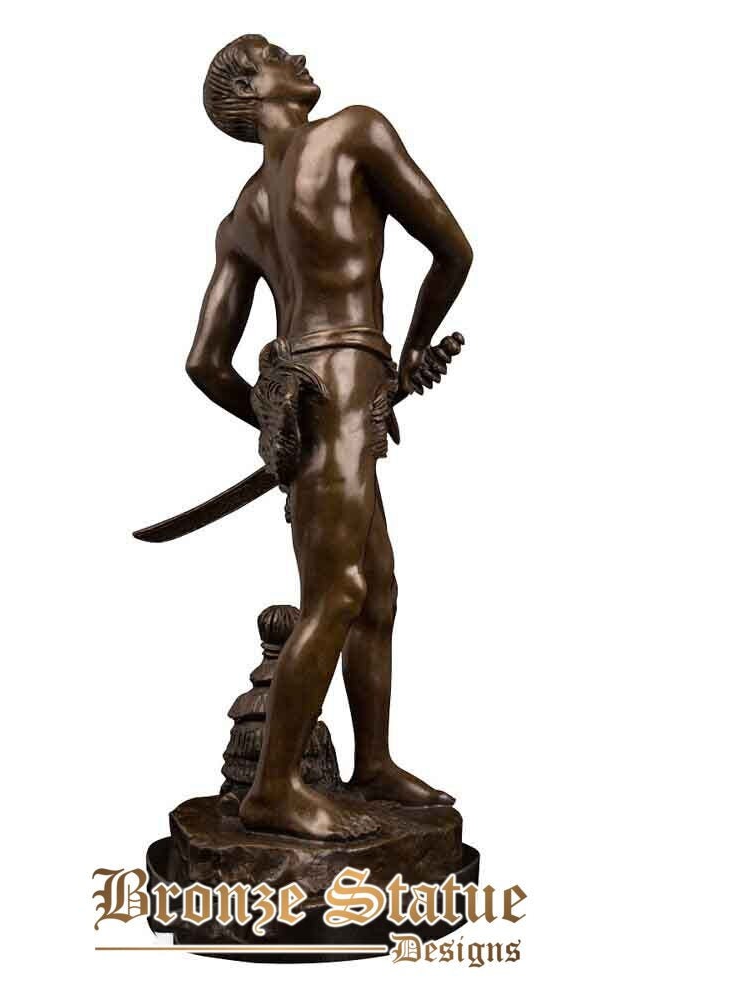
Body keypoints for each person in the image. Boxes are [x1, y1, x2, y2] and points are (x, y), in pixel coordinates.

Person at [185, 35, 473, 839]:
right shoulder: (355, 132)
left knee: (376, 588)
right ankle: (274, 790)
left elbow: (206, 363)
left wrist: (278, 424)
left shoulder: (243, 215)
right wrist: (410, 351)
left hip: (309, 389)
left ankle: (372, 763)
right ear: (250, 89)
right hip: (344, 378)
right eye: (275, 54)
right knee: (340, 591)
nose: (298, 56)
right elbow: (453, 251)